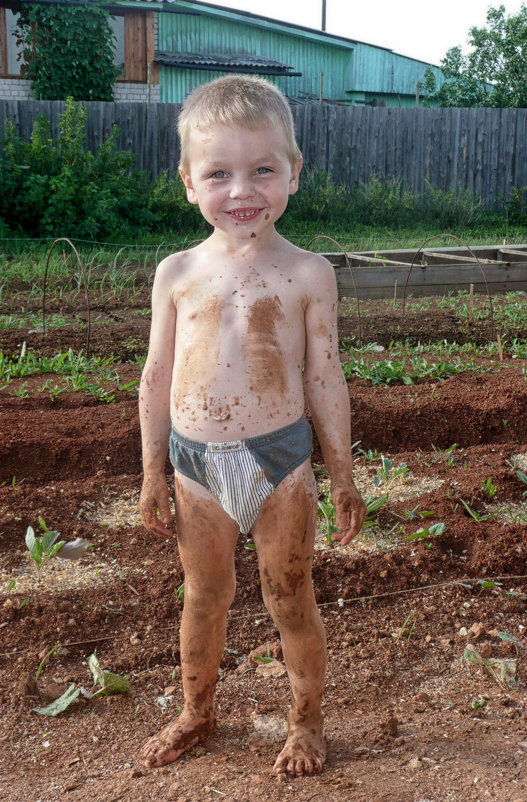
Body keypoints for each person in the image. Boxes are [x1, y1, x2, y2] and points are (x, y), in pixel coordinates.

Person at [138, 74, 366, 777]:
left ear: (293, 173)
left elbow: (324, 375)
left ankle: (306, 724)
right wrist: (151, 472)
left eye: (262, 170)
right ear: (187, 181)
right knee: (204, 596)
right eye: (219, 173)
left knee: (289, 595)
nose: (242, 191)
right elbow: (154, 377)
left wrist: (341, 473)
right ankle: (196, 714)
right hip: (196, 468)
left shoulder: (305, 273)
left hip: (280, 466)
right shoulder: (176, 273)